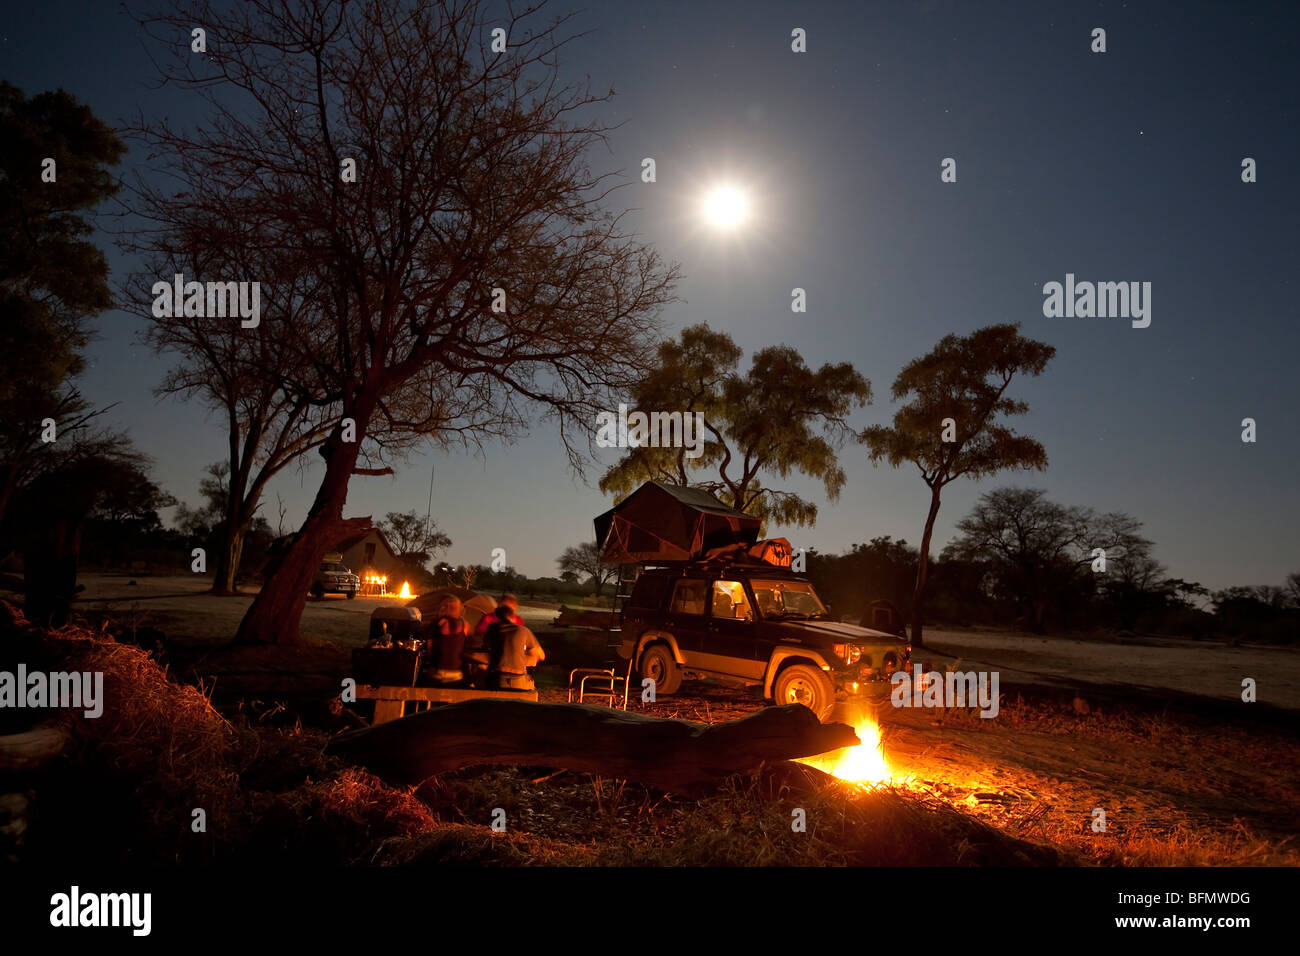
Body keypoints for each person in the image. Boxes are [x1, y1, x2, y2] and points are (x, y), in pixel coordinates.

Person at [484, 603, 545, 691]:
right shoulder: (523, 630)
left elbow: (486, 645)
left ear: (497, 616)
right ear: (513, 617)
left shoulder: (492, 628)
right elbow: (541, 655)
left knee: (482, 677)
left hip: (497, 677)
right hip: (518, 678)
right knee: (531, 684)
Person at [426, 595, 468, 684]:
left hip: (438, 671)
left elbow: (429, 645)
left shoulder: (437, 624)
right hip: (456, 672)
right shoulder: (465, 626)